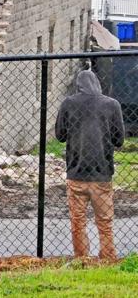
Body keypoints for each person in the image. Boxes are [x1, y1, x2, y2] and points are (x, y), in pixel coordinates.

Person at [55, 69, 125, 260]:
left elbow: (59, 135)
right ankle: (108, 258)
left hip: (76, 173)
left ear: (78, 86)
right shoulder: (111, 105)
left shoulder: (69, 104)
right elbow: (119, 140)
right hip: (101, 174)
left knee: (77, 222)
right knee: (105, 222)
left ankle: (82, 259)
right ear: (98, 84)